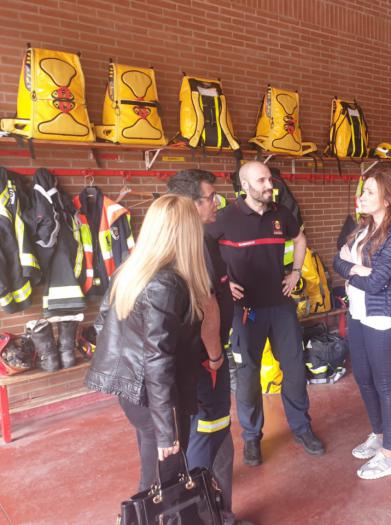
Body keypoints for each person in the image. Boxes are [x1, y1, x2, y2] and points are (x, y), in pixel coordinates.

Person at [85, 194, 211, 491]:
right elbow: (158, 360)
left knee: (155, 470)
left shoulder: (133, 268)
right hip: (155, 396)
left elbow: (102, 321)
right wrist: (167, 430)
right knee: (161, 479)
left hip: (135, 393)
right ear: (187, 233)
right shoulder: (165, 284)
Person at [206, 161, 324, 467]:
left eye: (269, 179)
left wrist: (296, 272)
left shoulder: (281, 213)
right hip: (245, 312)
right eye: (261, 180)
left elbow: (299, 240)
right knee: (247, 378)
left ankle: (301, 428)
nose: (268, 184)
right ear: (245, 186)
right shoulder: (225, 218)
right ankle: (251, 437)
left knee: (295, 371)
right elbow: (202, 246)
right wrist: (223, 281)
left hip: (281, 306)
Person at [167, 169, 245, 525]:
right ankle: (206, 516)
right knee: (207, 441)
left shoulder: (198, 238)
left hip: (199, 363)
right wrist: (215, 358)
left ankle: (217, 512)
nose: (217, 201)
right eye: (210, 197)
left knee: (219, 440)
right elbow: (205, 308)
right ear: (191, 204)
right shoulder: (193, 246)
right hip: (205, 365)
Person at [333, 168, 391, 480]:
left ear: (389, 198)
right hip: (357, 311)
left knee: (383, 382)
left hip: (381, 313)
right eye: (362, 190)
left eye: (369, 191)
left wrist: (352, 270)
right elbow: (336, 261)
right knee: (363, 378)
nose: (361, 196)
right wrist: (356, 269)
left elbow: (378, 282)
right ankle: (378, 434)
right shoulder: (361, 228)